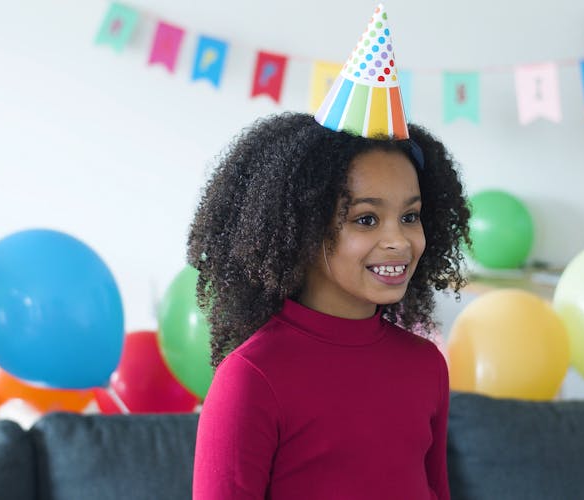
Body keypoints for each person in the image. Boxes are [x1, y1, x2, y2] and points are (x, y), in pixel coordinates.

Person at [190, 5, 470, 499]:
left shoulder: (426, 366)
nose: (399, 240)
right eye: (366, 218)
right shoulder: (252, 379)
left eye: (410, 215)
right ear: (302, 227)